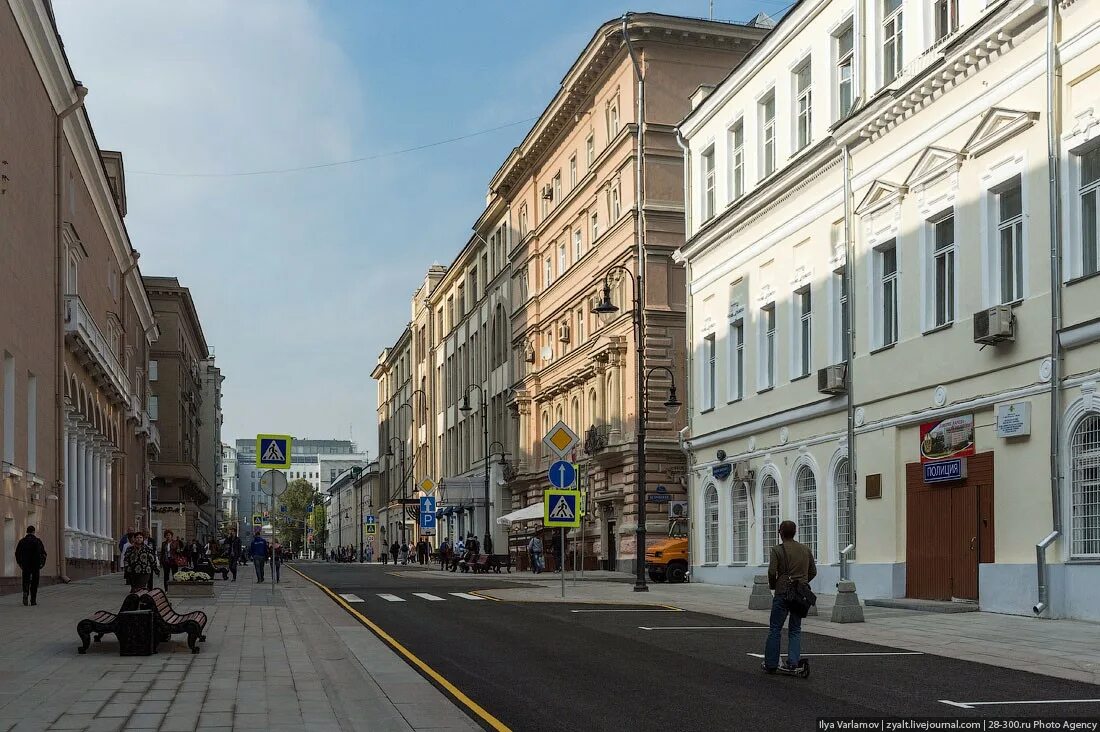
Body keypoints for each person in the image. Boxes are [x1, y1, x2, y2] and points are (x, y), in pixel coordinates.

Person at [763, 520, 817, 675]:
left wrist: (774, 585)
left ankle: (771, 663)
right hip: (800, 595)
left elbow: (772, 572)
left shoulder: (777, 550)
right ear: (795, 532)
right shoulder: (805, 549)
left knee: (775, 628)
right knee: (795, 629)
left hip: (783, 592)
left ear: (780, 532)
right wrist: (802, 583)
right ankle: (793, 662)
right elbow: (813, 571)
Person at [15, 525, 47, 606]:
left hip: (25, 565)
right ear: (33, 532)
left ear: (27, 531)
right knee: (34, 582)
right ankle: (33, 600)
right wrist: (41, 564)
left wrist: (20, 563)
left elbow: (17, 553)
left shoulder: (22, 541)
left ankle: (25, 593)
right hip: (35, 565)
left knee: (25, 580)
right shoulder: (38, 541)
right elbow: (43, 554)